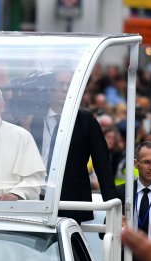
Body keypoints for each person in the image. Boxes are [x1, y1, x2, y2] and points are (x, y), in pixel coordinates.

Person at [32, 68, 118, 223]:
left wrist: (112, 207)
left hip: (71, 201)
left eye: (68, 85)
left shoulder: (86, 120)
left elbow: (103, 166)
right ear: (50, 88)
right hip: (37, 196)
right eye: (60, 84)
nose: (64, 89)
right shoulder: (34, 118)